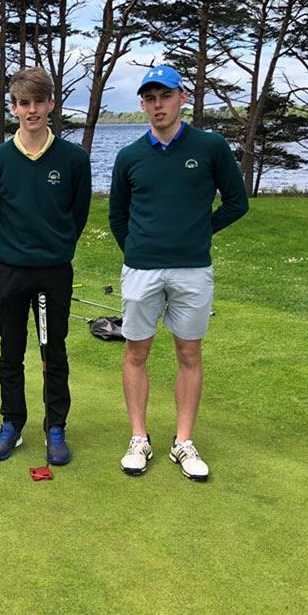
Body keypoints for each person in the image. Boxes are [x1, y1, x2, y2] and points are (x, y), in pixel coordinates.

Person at [109, 65, 249, 481]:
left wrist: (198, 231)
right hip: (142, 270)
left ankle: (183, 441)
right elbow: (118, 215)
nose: (158, 105)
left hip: (192, 269)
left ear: (182, 98)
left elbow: (237, 203)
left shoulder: (210, 147)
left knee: (189, 353)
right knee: (136, 352)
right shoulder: (129, 155)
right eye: (150, 98)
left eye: (165, 96)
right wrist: (138, 247)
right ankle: (139, 438)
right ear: (142, 104)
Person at [0, 67, 92, 466]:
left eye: (38, 102)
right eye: (23, 103)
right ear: (13, 108)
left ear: (51, 105)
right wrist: (13, 250)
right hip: (10, 271)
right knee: (11, 351)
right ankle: (12, 423)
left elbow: (77, 216)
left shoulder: (73, 159)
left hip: (55, 270)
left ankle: (55, 426)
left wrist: (54, 248)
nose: (31, 110)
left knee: (53, 350)